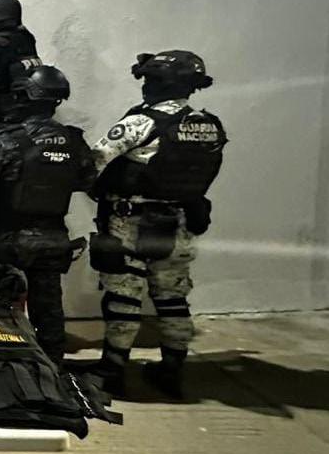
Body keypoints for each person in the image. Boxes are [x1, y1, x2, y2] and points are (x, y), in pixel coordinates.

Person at [88, 50, 226, 398]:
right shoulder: (209, 126)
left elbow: (93, 163)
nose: (145, 85)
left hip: (130, 222)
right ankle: (172, 368)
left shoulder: (140, 123)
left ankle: (112, 370)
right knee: (173, 297)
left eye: (150, 79)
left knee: (124, 296)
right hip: (180, 222)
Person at [0, 66, 96, 365]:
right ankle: (52, 368)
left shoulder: (6, 140)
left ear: (24, 97)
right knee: (48, 309)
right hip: (52, 238)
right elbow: (88, 182)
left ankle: (1, 365)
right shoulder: (74, 141)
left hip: (8, 238)